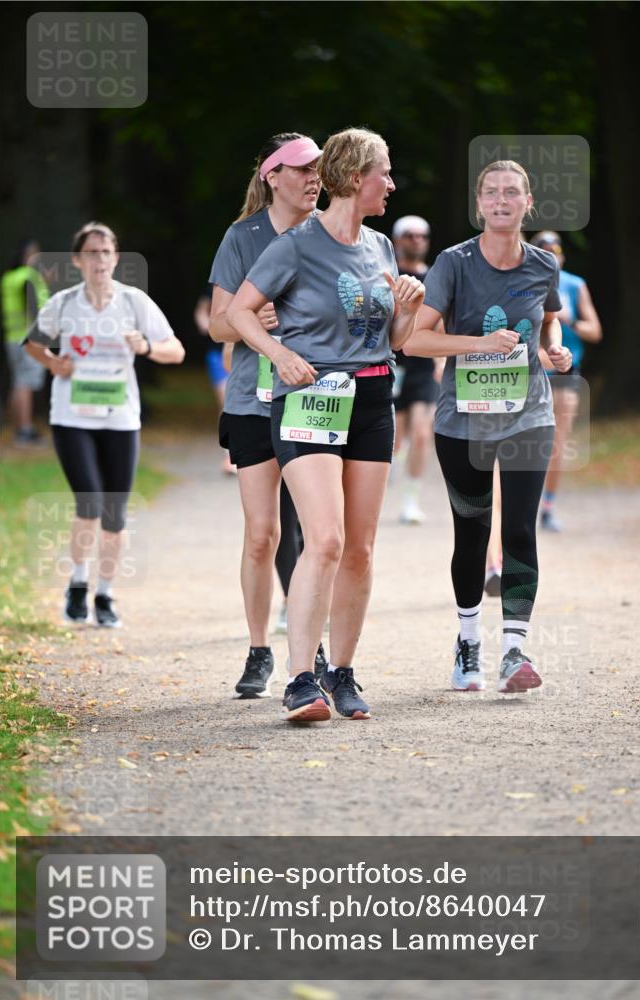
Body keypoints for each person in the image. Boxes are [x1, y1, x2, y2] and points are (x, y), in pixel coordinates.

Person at [227, 127, 425, 722]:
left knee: (361, 548)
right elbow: (238, 311)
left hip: (371, 399)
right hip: (309, 397)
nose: (390, 184)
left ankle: (342, 673)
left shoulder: (382, 247)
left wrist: (408, 314)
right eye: (383, 173)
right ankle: (300, 680)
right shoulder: (294, 244)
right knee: (328, 540)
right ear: (354, 176)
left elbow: (393, 342)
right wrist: (278, 353)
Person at [403, 160, 571, 694]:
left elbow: (549, 318)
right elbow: (416, 340)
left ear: (527, 203)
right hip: (464, 420)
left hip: (529, 414)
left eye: (512, 192)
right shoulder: (453, 264)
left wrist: (554, 349)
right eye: (492, 192)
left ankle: (515, 649)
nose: (501, 200)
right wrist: (478, 344)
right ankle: (468, 641)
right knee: (472, 532)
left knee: (520, 529)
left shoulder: (544, 265)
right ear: (479, 205)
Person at [207, 132, 327, 699]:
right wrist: (255, 320)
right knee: (263, 534)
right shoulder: (243, 236)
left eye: (319, 170)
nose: (313, 179)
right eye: (302, 169)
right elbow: (216, 324)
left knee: (312, 532)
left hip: (314, 397)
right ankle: (259, 650)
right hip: (253, 401)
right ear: (271, 176)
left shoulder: (330, 231)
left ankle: (314, 650)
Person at [25, 222, 185, 626]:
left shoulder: (133, 303)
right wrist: (53, 362)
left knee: (114, 511)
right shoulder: (63, 304)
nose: (100, 260)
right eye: (92, 253)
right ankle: (78, 585)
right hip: (72, 417)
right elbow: (33, 343)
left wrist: (146, 346)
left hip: (120, 419)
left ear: (116, 258)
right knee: (90, 501)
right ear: (77, 260)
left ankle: (106, 595)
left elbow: (176, 351)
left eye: (107, 252)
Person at [530, 231, 603, 532]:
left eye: (555, 249)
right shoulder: (523, 283)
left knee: (557, 444)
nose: (551, 254)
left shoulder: (575, 285)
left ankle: (547, 507)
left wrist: (570, 320)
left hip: (566, 375)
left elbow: (595, 331)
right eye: (543, 250)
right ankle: (518, 503)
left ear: (562, 255)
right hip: (531, 373)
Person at [390, 215, 441, 523]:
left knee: (422, 433)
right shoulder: (387, 272)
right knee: (394, 438)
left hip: (424, 363)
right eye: (409, 235)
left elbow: (444, 317)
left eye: (422, 235)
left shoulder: (435, 277)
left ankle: (411, 500)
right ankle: (391, 468)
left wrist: (443, 360)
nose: (416, 240)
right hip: (392, 362)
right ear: (398, 239)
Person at [0, 239, 49, 445]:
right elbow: (32, 308)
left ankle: (16, 427)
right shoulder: (29, 277)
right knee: (25, 383)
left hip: (12, 336)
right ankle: (25, 429)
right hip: (28, 337)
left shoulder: (9, 277)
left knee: (18, 382)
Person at [194, 285, 236, 473]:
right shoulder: (216, 286)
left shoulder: (254, 281)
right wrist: (206, 324)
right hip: (217, 353)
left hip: (243, 352)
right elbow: (201, 310)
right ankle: (228, 456)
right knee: (225, 400)